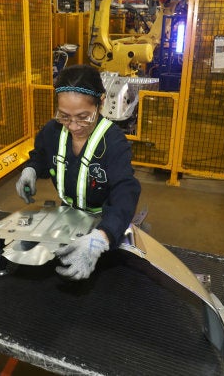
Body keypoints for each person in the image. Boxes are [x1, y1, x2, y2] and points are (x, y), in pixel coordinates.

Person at [16, 64, 141, 280]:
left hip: (103, 222)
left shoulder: (113, 143)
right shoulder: (52, 131)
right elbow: (41, 156)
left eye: (84, 117)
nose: (73, 126)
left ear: (101, 103)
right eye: (64, 116)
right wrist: (31, 169)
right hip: (68, 218)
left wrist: (101, 239)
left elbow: (125, 191)